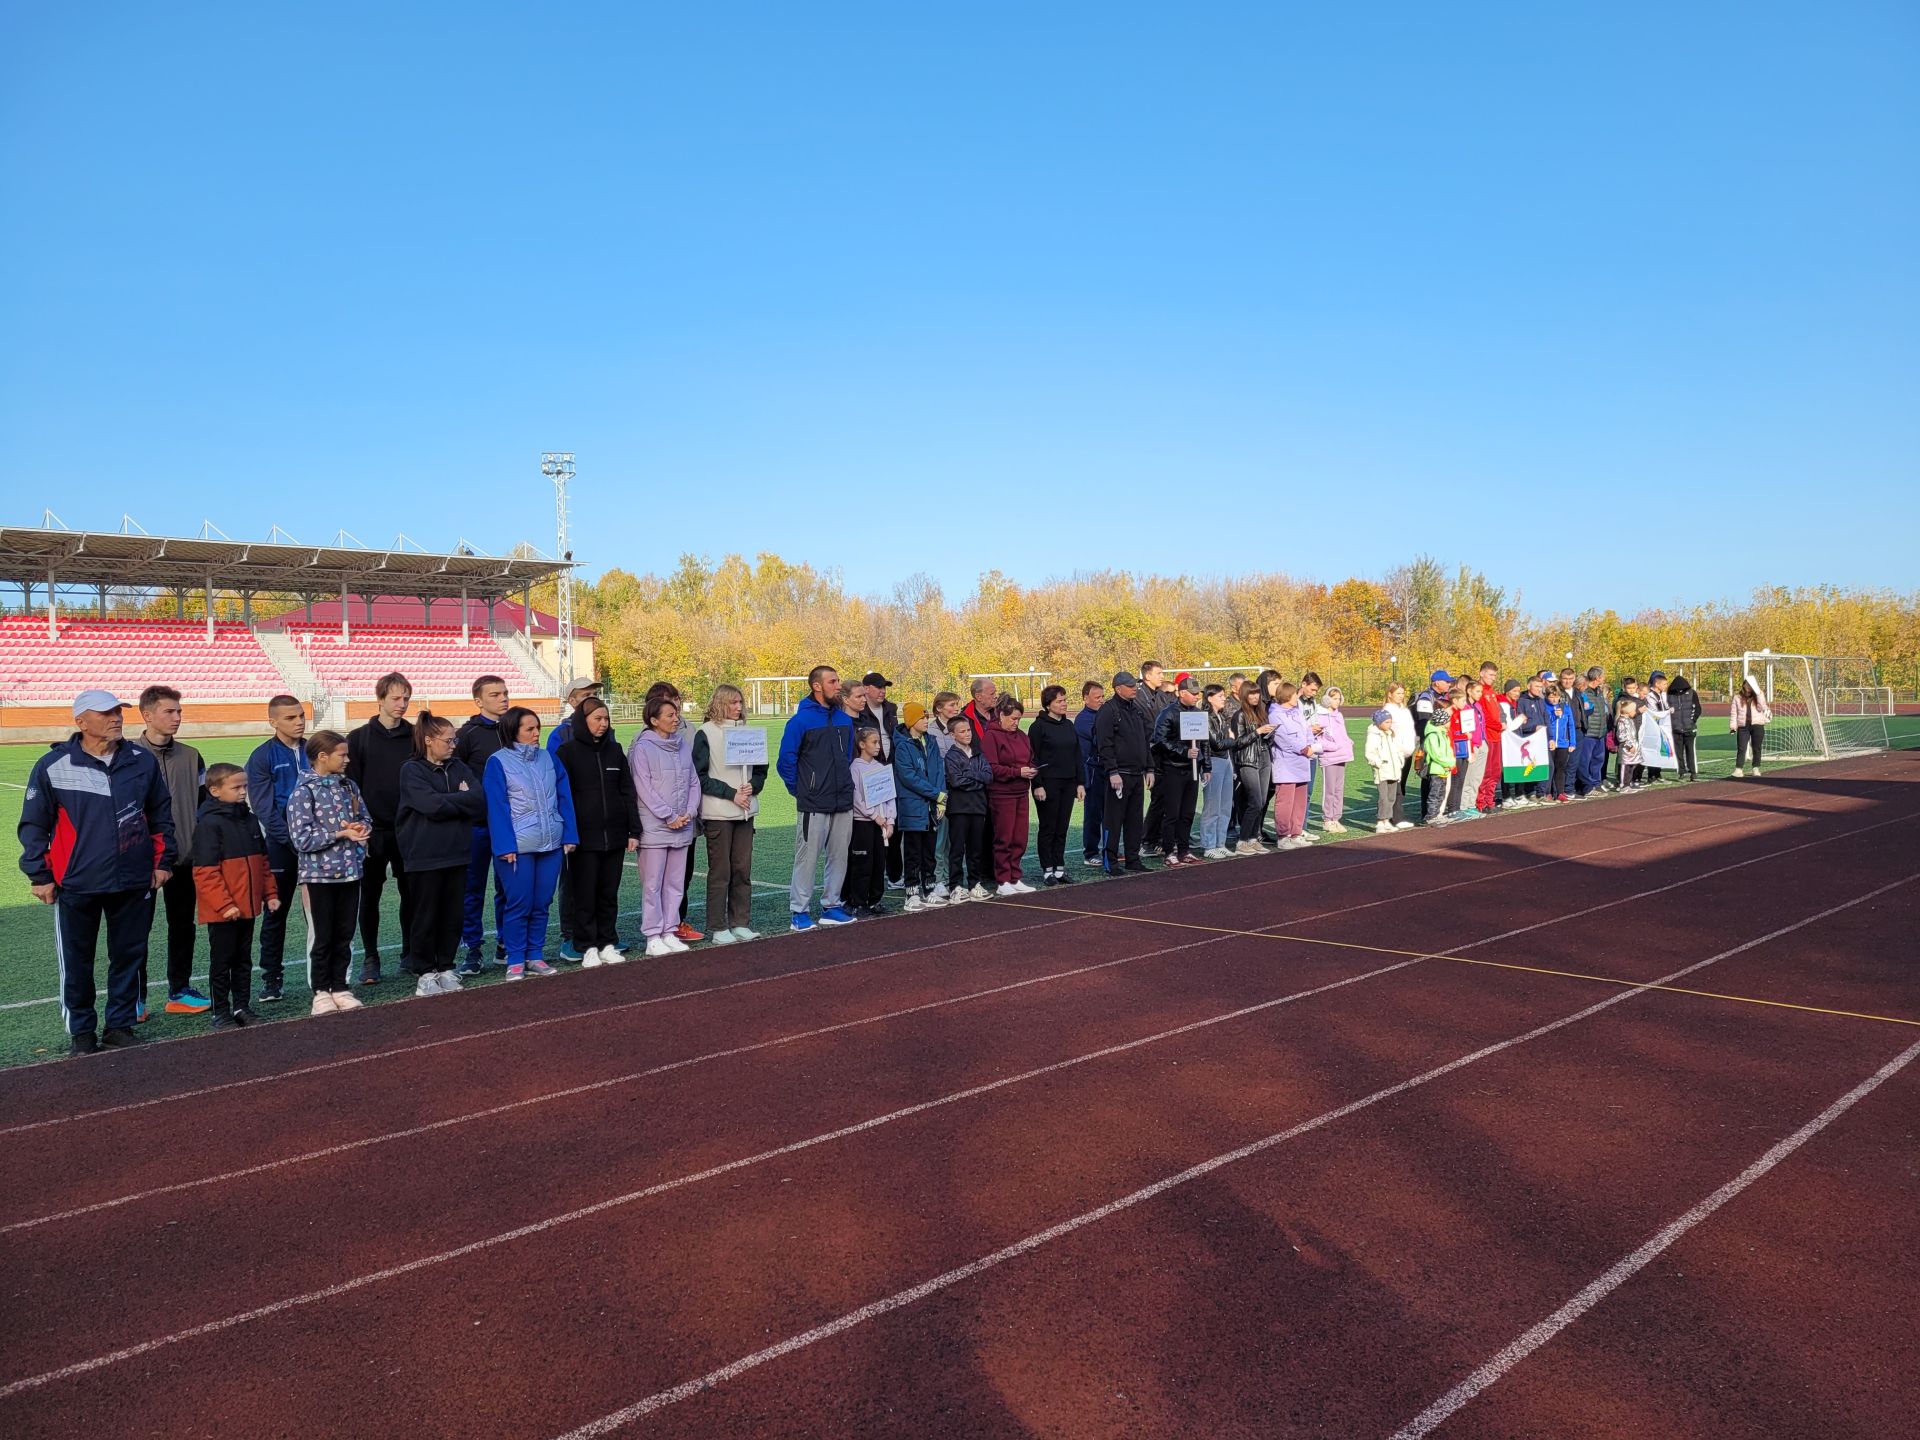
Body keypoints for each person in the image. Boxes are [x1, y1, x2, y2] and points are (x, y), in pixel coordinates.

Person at [19, 690, 177, 1054]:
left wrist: (162, 861)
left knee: (129, 955)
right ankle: (82, 1032)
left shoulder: (141, 761)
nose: (116, 718)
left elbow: (160, 814)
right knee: (77, 961)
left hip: (134, 878)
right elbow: (33, 825)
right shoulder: (53, 765)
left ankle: (120, 1025)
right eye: (106, 713)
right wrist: (39, 875)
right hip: (77, 882)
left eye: (118, 712)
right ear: (81, 722)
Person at [395, 711, 488, 996]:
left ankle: (446, 966)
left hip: (457, 853)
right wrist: (458, 800)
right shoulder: (411, 770)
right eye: (448, 740)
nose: (453, 745)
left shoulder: (459, 766)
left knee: (452, 914)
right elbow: (430, 806)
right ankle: (425, 971)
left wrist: (452, 801)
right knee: (425, 915)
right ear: (428, 740)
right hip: (424, 855)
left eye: (454, 739)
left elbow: (477, 800)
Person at [132, 684, 210, 1017]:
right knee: (136, 931)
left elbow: (205, 805)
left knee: (183, 927)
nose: (177, 717)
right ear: (147, 715)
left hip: (184, 858)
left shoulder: (192, 756)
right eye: (169, 711)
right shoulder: (129, 756)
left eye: (179, 711)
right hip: (141, 863)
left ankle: (179, 990)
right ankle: (133, 999)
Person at [484, 706, 578, 979]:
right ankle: (514, 959)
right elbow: (497, 806)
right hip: (517, 848)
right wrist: (505, 846)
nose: (537, 733)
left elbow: (564, 797)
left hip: (551, 844)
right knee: (518, 903)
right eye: (530, 729)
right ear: (514, 732)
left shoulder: (549, 758)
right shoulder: (497, 762)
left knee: (541, 902)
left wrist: (569, 834)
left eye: (538, 727)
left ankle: (534, 955)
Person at [287, 730, 372, 1015]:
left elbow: (364, 819)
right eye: (342, 755)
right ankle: (320, 990)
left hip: (350, 872)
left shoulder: (349, 787)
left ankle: (340, 986)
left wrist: (360, 829)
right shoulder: (304, 792)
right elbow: (301, 839)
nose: (347, 760)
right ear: (322, 757)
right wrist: (340, 834)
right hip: (318, 877)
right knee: (322, 935)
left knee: (344, 933)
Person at [189, 762, 279, 1027]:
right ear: (215, 791)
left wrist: (269, 893)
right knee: (222, 961)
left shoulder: (248, 819)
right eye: (237, 787)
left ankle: (242, 1007)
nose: (243, 792)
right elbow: (205, 872)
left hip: (248, 906)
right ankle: (221, 1012)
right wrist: (225, 905)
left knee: (243, 960)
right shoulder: (209, 825)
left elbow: (262, 861)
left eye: (245, 786)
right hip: (224, 912)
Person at [554, 696, 639, 967]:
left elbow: (627, 792)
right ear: (583, 720)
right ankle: (586, 945)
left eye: (606, 719)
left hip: (614, 836)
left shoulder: (615, 751)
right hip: (582, 839)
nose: (602, 724)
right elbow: (561, 797)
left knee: (607, 892)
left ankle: (607, 941)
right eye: (597, 719)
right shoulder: (566, 753)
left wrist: (633, 831)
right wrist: (569, 834)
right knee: (584, 894)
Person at [345, 670, 415, 985]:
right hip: (372, 833)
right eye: (396, 698)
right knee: (369, 897)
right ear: (380, 699)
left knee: (411, 894)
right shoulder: (358, 738)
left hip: (408, 830)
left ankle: (410, 953)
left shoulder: (416, 736)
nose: (402, 704)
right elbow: (351, 788)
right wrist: (362, 828)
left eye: (406, 698)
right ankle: (371, 958)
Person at [777, 665, 858, 930]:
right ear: (817, 686)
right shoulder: (800, 722)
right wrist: (802, 791)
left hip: (842, 800)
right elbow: (785, 762)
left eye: (838, 681)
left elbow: (847, 758)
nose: (839, 686)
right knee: (807, 858)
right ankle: (799, 911)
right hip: (814, 803)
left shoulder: (845, 721)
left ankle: (831, 906)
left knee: (839, 856)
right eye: (833, 681)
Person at [245, 694, 310, 1003]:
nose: (299, 722)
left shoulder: (316, 750)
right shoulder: (262, 757)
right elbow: (264, 808)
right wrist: (291, 839)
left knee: (321, 912)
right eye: (290, 718)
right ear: (273, 722)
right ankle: (272, 978)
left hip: (318, 845)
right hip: (282, 846)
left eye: (300, 716)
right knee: (276, 911)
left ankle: (324, 974)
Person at [692, 684, 766, 944]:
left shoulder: (749, 732)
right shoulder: (706, 733)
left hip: (745, 813)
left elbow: (760, 771)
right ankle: (718, 926)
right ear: (720, 703)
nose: (738, 707)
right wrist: (730, 793)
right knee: (720, 872)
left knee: (742, 870)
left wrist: (752, 787)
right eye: (733, 703)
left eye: (740, 703)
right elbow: (699, 776)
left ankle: (740, 922)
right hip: (719, 814)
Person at [629, 692, 703, 955]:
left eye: (676, 714)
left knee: (675, 883)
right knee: (652, 884)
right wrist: (668, 816)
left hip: (682, 825)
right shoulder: (642, 747)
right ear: (654, 720)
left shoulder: (682, 744)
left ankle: (669, 930)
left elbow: (693, 780)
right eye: (670, 715)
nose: (676, 719)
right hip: (655, 828)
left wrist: (690, 811)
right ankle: (652, 936)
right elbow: (643, 787)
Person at [547, 675, 606, 961]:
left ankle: (600, 934)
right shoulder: (559, 735)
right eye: (584, 695)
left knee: (601, 879)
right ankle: (570, 936)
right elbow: (554, 779)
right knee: (571, 880)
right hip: (572, 818)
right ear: (571, 701)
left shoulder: (607, 730)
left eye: (593, 694)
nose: (590, 698)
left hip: (600, 819)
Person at [454, 674, 510, 975]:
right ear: (479, 701)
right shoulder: (467, 734)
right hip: (476, 826)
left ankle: (505, 944)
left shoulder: (514, 728)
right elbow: (455, 775)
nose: (503, 698)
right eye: (494, 694)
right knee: (472, 890)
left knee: (507, 888)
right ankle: (473, 949)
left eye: (504, 693)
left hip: (509, 826)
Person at [1094, 671, 1153, 873]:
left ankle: (1133, 859)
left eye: (1134, 684)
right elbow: (1105, 744)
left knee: (1134, 820)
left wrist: (1149, 768)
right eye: (1129, 685)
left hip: (1136, 774)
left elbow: (1145, 741)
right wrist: (1112, 771)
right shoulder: (1108, 711)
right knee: (1113, 819)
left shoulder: (1136, 710)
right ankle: (1110, 860)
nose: (1134, 688)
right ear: (1118, 688)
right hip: (1119, 774)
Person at [981, 695, 1038, 894]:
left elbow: (1030, 758)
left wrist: (1031, 769)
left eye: (1018, 719)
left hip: (1021, 791)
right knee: (1004, 837)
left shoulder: (1022, 735)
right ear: (1001, 716)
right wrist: (1016, 772)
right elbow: (992, 767)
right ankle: (1003, 879)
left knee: (1019, 837)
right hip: (1001, 794)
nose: (1016, 723)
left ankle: (1015, 876)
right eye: (1013, 718)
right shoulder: (991, 736)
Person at [892, 702, 945, 910]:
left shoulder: (931, 742)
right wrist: (936, 794)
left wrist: (942, 798)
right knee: (913, 852)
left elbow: (939, 771)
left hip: (932, 805)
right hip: (913, 807)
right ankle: (911, 893)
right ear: (912, 721)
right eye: (922, 718)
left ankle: (929, 889)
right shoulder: (903, 746)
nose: (926, 721)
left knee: (929, 852)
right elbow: (909, 777)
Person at [1028, 685, 1083, 886]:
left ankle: (1059, 869)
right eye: (1059, 701)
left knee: (1062, 827)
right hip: (1048, 784)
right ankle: (1047, 870)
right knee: (1048, 828)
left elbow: (1077, 754)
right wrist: (1038, 784)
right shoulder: (1038, 727)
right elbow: (1032, 758)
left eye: (1065, 700)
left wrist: (1080, 783)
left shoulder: (1069, 725)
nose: (1064, 704)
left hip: (1068, 783)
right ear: (1048, 704)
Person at [1150, 675, 1206, 864]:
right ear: (1182, 693)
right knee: (1172, 813)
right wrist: (1184, 751)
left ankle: (1184, 849)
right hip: (1172, 769)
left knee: (1188, 812)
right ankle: (1169, 851)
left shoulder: (1198, 713)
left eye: (1198, 694)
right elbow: (1160, 741)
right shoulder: (1168, 713)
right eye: (1193, 693)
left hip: (1192, 770)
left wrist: (1205, 764)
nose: (1196, 697)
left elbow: (1203, 741)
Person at [860, 671, 905, 887]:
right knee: (872, 822)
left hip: (892, 770)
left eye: (884, 687)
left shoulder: (891, 709)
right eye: (878, 687)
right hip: (870, 771)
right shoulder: (860, 712)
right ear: (866, 689)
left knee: (893, 820)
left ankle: (895, 874)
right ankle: (873, 874)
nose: (882, 691)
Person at [847, 727, 897, 916]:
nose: (878, 746)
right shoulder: (855, 768)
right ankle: (858, 902)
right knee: (862, 863)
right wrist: (873, 815)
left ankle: (875, 900)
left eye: (879, 742)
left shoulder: (881, 768)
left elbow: (889, 796)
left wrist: (890, 820)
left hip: (881, 824)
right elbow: (856, 797)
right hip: (863, 823)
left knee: (879, 863)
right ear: (862, 744)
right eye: (873, 742)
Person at [942, 715, 993, 898]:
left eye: (968, 730)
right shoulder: (951, 756)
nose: (967, 734)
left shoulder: (978, 753)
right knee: (957, 849)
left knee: (976, 849)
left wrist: (969, 775)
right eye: (962, 731)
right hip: (959, 809)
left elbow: (988, 777)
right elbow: (956, 781)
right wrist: (976, 777)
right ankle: (955, 885)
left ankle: (974, 883)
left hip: (978, 807)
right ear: (952, 734)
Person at [1232, 674, 1278, 853]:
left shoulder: (1261, 712)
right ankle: (1242, 840)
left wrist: (1269, 733)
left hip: (1264, 758)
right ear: (1244, 695)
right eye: (1251, 694)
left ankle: (1252, 837)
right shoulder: (1240, 715)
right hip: (1248, 761)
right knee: (1255, 801)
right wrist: (1258, 731)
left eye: (1257, 694)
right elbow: (1238, 742)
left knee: (1262, 800)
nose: (1255, 697)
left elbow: (1263, 738)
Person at [1137, 662, 1178, 855]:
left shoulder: (1161, 696)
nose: (1162, 676)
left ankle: (1160, 838)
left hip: (1164, 754)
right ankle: (1147, 840)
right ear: (1147, 676)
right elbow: (1146, 729)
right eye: (1158, 673)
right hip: (1151, 755)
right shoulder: (1139, 697)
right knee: (1158, 798)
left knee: (1165, 798)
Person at [1268, 680, 1315, 848]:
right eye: (1295, 694)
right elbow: (1283, 737)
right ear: (1287, 695)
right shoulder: (1275, 714)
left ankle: (1296, 832)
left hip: (1302, 761)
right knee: (1285, 801)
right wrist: (1302, 749)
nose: (1297, 697)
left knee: (1300, 800)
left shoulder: (1298, 711)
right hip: (1286, 762)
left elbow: (1307, 729)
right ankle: (1283, 835)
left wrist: (1310, 745)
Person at [928, 691, 963, 901]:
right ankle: (938, 879)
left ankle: (954, 878)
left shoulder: (960, 727)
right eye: (951, 705)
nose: (956, 708)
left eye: (957, 704)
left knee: (955, 839)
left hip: (959, 791)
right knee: (939, 839)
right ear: (939, 708)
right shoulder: (931, 731)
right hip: (941, 791)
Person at [1199, 684, 1239, 859]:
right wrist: (1231, 740)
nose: (1224, 698)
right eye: (1220, 696)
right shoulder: (1206, 718)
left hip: (1226, 760)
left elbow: (1225, 742)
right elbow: (1216, 744)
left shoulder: (1222, 717)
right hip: (1214, 761)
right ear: (1209, 698)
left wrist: (1229, 741)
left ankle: (1220, 842)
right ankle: (1209, 844)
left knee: (1225, 805)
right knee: (1212, 805)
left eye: (1224, 695)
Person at [1412, 670, 1454, 819]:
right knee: (1428, 778)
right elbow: (1424, 722)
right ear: (1436, 683)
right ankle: (1427, 813)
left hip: (1437, 736)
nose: (1449, 684)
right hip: (1428, 740)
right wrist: (1430, 738)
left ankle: (1434, 812)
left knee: (1437, 782)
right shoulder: (1425, 697)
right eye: (1446, 681)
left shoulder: (1442, 697)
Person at [1074, 682, 1107, 865]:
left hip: (1105, 769)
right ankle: (1090, 852)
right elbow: (1101, 740)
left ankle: (1109, 848)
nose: (1101, 701)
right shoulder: (1083, 719)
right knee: (1093, 814)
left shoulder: (1103, 715)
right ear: (1085, 698)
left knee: (1109, 812)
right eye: (1097, 698)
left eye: (1103, 697)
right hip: (1092, 770)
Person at [1378, 682, 1417, 830]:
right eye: (1398, 693)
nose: (1401, 696)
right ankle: (1394, 817)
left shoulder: (1404, 710)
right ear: (1390, 694)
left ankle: (1396, 815)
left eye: (1402, 693)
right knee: (1395, 786)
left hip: (1407, 752)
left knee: (1402, 785)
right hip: (1395, 753)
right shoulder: (1388, 710)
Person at [1421, 699, 1460, 825]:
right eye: (1448, 720)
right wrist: (1448, 763)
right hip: (1437, 769)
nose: (1450, 723)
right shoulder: (1433, 736)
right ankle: (1431, 816)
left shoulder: (1443, 734)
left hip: (1443, 769)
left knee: (1441, 793)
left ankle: (1437, 814)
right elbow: (1436, 754)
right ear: (1442, 722)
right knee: (1435, 793)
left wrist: (1449, 763)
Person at [1575, 666, 1611, 796]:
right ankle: (1587, 785)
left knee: (1598, 759)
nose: (1604, 679)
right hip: (1589, 732)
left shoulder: (1599, 691)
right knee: (1585, 760)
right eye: (1603, 676)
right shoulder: (1585, 692)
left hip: (1600, 732)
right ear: (1598, 678)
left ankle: (1596, 782)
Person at [1474, 663, 1504, 814]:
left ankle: (1489, 800)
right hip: (1487, 736)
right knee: (1486, 771)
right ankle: (1480, 802)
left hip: (1497, 736)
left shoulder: (1492, 692)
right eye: (1490, 675)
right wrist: (1499, 726)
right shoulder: (1479, 692)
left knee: (1495, 771)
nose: (1493, 678)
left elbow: (1498, 711)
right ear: (1481, 674)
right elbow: (1484, 716)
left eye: (1494, 675)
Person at [1366, 710, 1403, 834]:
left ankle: (1387, 820)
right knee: (1383, 797)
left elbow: (1397, 750)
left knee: (1391, 797)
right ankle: (1380, 821)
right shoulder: (1374, 735)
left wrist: (1399, 761)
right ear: (1379, 722)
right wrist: (1378, 763)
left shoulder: (1391, 734)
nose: (1389, 724)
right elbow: (1370, 753)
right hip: (1382, 772)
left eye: (1390, 722)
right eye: (1387, 722)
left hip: (1393, 771)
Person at [1730, 678, 1772, 777]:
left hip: (1757, 725)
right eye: (1746, 685)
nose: (1748, 687)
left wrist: (1758, 693)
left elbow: (1761, 707)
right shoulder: (1737, 697)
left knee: (1756, 747)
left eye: (1750, 685)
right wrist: (1733, 727)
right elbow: (1733, 713)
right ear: (1743, 685)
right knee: (1741, 748)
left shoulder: (1758, 696)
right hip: (1743, 726)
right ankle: (1738, 769)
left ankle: (1756, 768)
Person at [1546, 682, 1578, 802]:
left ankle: (1560, 792)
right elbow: (1546, 724)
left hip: (1563, 743)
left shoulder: (1565, 707)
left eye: (1556, 696)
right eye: (1551, 697)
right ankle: (1547, 792)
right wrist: (1553, 716)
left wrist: (1572, 743)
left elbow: (1571, 725)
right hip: (1550, 743)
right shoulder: (1545, 707)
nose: (1554, 699)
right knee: (1550, 768)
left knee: (1561, 768)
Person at [1640, 672, 1673, 785]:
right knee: (1653, 749)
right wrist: (1666, 712)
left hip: (1661, 726)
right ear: (1657, 684)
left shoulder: (1662, 694)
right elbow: (1654, 711)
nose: (1666, 686)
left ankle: (1658, 774)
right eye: (1664, 684)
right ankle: (1651, 776)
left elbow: (1664, 707)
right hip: (1653, 726)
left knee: (1660, 749)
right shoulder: (1650, 695)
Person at [1669, 674, 1702, 780]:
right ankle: (1681, 772)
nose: (1679, 690)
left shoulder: (1692, 693)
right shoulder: (1669, 695)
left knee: (1690, 751)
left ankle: (1693, 772)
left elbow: (1697, 709)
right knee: (1678, 751)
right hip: (1675, 729)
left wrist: (1692, 721)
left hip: (1689, 728)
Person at [1615, 696, 1644, 789]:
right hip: (1626, 749)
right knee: (1625, 767)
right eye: (1634, 710)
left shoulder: (1630, 720)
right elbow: (1621, 736)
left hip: (1632, 749)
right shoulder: (1622, 721)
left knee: (1631, 767)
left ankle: (1628, 782)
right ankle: (1623, 785)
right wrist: (1629, 745)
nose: (1635, 712)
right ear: (1628, 711)